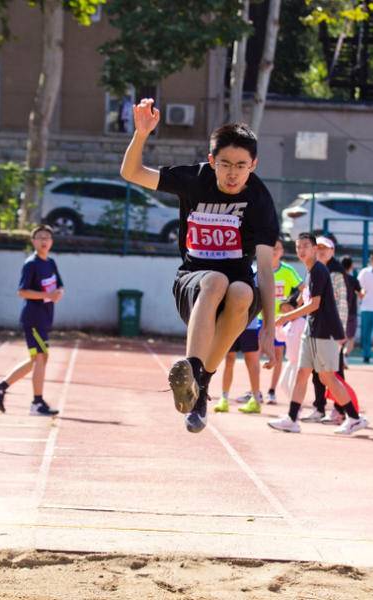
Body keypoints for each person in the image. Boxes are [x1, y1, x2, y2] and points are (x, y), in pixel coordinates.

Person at [120, 100, 277, 433]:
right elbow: (131, 173)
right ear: (211, 161)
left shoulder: (260, 199)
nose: (232, 173)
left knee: (237, 289)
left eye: (241, 165)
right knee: (217, 280)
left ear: (253, 165)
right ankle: (193, 370)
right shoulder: (194, 180)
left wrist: (270, 328)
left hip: (241, 292)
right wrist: (141, 133)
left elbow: (265, 270)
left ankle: (200, 385)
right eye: (224, 164)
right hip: (193, 282)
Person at [268, 233, 367, 435]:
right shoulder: (310, 271)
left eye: (306, 246)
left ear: (313, 249)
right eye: (298, 247)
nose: (301, 250)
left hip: (323, 333)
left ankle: (354, 417)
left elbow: (315, 304)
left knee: (328, 378)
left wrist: (285, 317)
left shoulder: (319, 271)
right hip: (312, 331)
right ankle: (292, 418)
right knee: (303, 374)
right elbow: (306, 302)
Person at [0, 225, 64, 416]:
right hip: (34, 318)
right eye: (40, 237)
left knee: (38, 359)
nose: (44, 240)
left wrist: (58, 293)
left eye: (47, 237)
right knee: (40, 358)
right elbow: (22, 291)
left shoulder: (51, 263)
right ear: (33, 241)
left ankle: (0, 387)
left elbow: (59, 286)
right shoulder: (31, 264)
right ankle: (37, 403)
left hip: (46, 318)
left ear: (52, 241)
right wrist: (47, 294)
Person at [304, 234, 348, 425]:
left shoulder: (336, 274)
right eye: (318, 247)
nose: (321, 251)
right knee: (317, 371)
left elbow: (342, 304)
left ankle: (340, 410)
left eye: (325, 248)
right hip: (316, 328)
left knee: (334, 372)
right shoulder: (312, 270)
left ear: (332, 251)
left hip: (330, 331)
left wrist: (340, 332)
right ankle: (319, 407)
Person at [267, 240, 303, 404]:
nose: (274, 251)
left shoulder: (288, 271)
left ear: (282, 251)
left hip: (281, 321)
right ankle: (253, 391)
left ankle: (271, 391)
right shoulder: (259, 269)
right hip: (261, 319)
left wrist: (293, 306)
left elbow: (304, 289)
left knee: (278, 355)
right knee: (254, 355)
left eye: (278, 248)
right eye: (271, 248)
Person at [214, 320, 262, 413]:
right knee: (229, 360)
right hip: (230, 325)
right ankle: (224, 398)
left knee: (251, 361)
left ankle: (256, 400)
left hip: (249, 326)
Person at [340, 255, 362, 358]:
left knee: (338, 337)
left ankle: (340, 357)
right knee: (351, 338)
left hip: (338, 311)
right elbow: (361, 294)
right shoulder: (353, 280)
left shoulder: (336, 278)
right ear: (351, 266)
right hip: (351, 312)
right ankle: (344, 355)